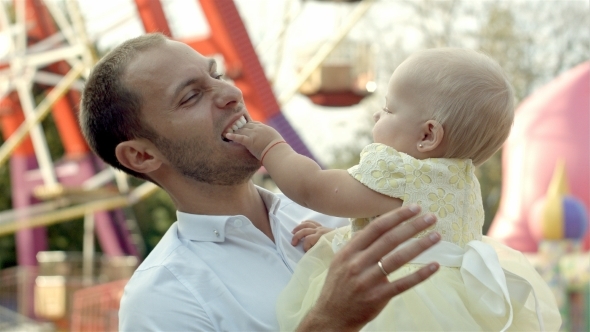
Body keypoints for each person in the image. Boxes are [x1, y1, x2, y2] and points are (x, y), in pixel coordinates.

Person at [78, 32, 444, 331]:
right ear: (142, 156)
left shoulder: (343, 215)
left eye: (217, 76)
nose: (231, 94)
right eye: (191, 96)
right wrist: (330, 322)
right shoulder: (162, 300)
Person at [226, 48, 562, 331]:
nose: (376, 113)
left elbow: (313, 188)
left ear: (427, 135)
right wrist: (341, 236)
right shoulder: (461, 183)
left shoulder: (399, 172)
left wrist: (272, 147)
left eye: (388, 109)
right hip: (452, 307)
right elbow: (405, 235)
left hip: (398, 304)